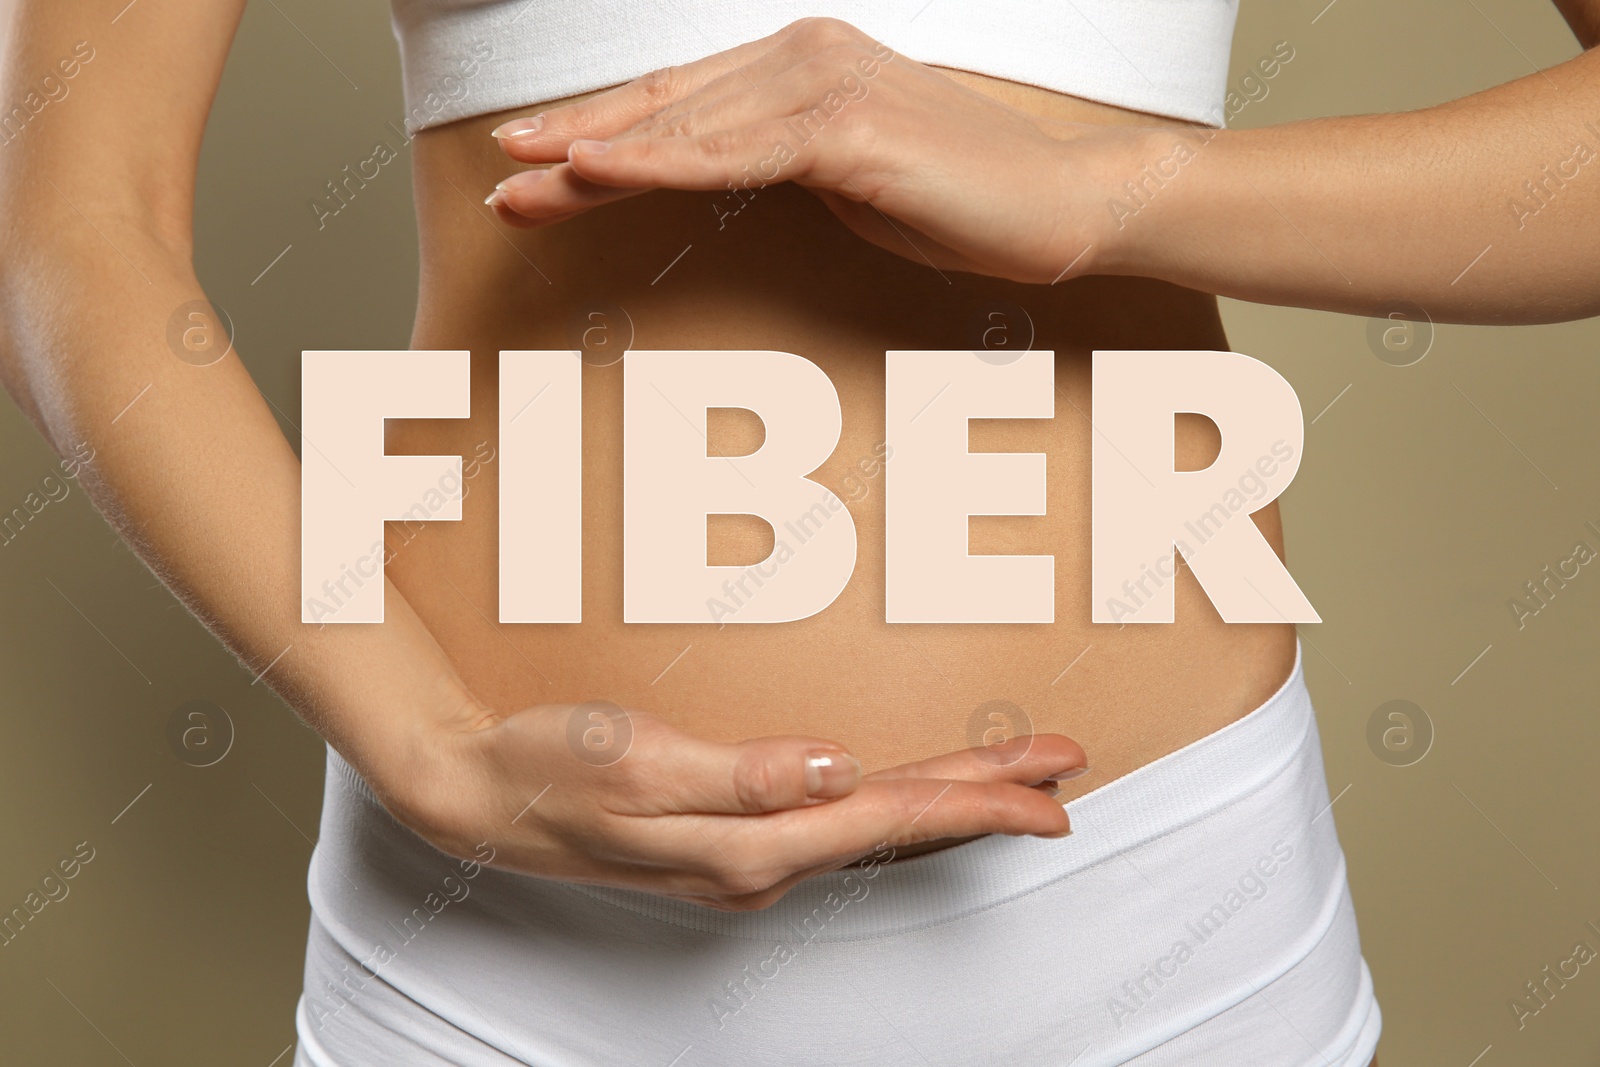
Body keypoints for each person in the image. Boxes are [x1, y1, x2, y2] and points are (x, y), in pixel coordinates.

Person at [49, 0, 1600, 1058]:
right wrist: (427, 745)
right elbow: (76, 216)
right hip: (499, 948)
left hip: (1162, 926)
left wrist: (1107, 193)